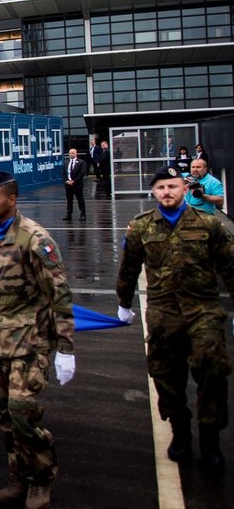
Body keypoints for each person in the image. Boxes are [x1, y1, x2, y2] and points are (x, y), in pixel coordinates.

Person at [117, 165, 234, 474]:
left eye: (172, 186)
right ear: (153, 193)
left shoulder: (209, 225)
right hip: (163, 313)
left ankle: (210, 440)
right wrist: (123, 302)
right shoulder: (141, 227)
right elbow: (128, 267)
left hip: (203, 310)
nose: (166, 192)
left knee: (212, 372)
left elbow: (229, 267)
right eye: (160, 188)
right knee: (166, 379)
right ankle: (181, 433)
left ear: (184, 189)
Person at [0, 171, 75, 509]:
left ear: (11, 200)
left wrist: (66, 349)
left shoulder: (35, 239)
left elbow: (59, 294)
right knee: (4, 416)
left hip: (30, 343)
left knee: (23, 412)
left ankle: (42, 480)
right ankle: (18, 476)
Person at [62, 149, 86, 221]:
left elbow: (82, 173)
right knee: (69, 200)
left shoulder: (81, 162)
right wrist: (66, 180)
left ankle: (83, 214)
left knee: (80, 200)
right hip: (68, 185)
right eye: (70, 153)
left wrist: (74, 181)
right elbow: (63, 173)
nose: (71, 154)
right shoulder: (66, 162)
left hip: (77, 184)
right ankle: (68, 214)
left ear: (76, 154)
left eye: (73, 153)